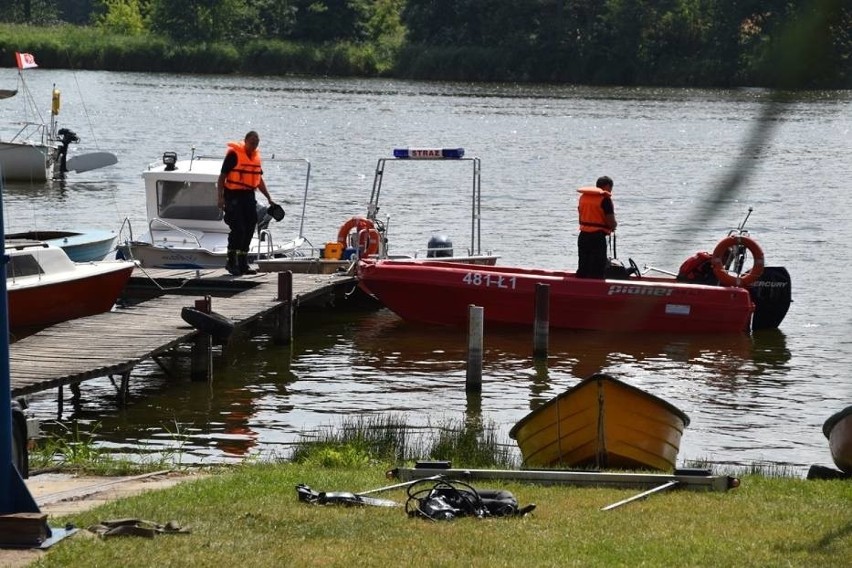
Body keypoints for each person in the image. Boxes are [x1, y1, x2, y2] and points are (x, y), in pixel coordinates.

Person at [217, 131, 277, 275]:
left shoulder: (255, 158)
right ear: (245, 141)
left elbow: (259, 180)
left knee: (250, 226)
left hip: (248, 195)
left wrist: (269, 197)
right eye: (251, 143)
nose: (254, 146)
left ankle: (243, 262)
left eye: (256, 143)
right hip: (233, 195)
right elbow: (222, 177)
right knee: (238, 228)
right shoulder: (233, 155)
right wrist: (220, 198)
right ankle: (231, 262)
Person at [576, 175, 617, 278]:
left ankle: (579, 287)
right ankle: (596, 289)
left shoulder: (583, 197)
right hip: (597, 238)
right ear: (607, 186)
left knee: (583, 268)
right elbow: (611, 222)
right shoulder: (605, 199)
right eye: (611, 188)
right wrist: (614, 226)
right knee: (597, 270)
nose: (611, 191)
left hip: (583, 236)